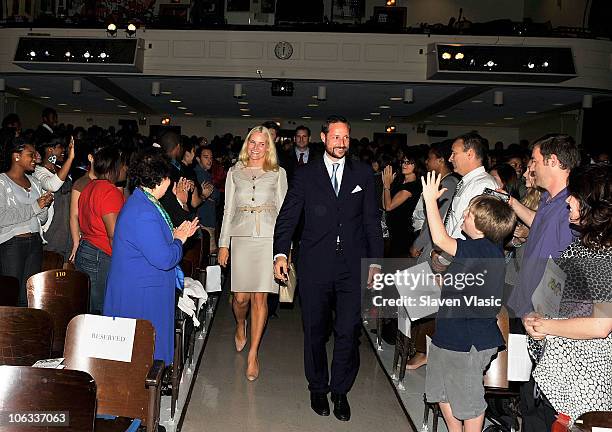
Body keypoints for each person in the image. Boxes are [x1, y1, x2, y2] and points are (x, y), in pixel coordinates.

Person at [273, 115, 383, 421]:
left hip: (352, 264)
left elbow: (372, 222)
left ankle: (340, 390)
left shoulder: (362, 173)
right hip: (315, 263)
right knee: (314, 330)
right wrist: (280, 253)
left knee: (348, 330)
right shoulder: (306, 175)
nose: (341, 143)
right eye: (336, 137)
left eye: (346, 138)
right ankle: (318, 387)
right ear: (324, 138)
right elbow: (288, 216)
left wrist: (375, 262)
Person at [421, 171, 516, 432]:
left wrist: (430, 200)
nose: (463, 216)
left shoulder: (484, 249)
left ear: (482, 225)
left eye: (468, 215)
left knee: (469, 400)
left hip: (469, 339)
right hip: (450, 334)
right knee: (440, 392)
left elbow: (440, 240)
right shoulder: (477, 248)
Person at [523, 163, 612, 428]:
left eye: (574, 195)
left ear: (592, 203)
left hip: (581, 384)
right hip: (553, 375)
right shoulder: (583, 246)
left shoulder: (605, 254)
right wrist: (536, 317)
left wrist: (546, 325)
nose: (568, 200)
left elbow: (601, 324)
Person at [505, 134, 581, 432]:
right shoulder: (552, 201)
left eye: (534, 161)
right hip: (527, 308)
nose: (530, 169)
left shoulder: (572, 207)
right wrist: (510, 201)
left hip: (546, 319)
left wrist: (549, 320)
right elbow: (538, 222)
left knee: (544, 401)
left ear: (553, 162)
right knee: (527, 392)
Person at [104, 149, 200, 364]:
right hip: (141, 292)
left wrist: (174, 233)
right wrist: (179, 239)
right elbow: (164, 259)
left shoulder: (144, 201)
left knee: (140, 351)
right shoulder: (144, 211)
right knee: (143, 353)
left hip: (142, 285)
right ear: (161, 180)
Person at [217, 125, 288, 381]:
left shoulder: (278, 173)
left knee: (261, 299)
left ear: (269, 147)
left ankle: (253, 353)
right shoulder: (234, 172)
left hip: (268, 240)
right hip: (242, 238)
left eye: (262, 143)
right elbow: (227, 210)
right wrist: (223, 244)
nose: (256, 148)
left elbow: (285, 215)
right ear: (246, 144)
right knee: (240, 299)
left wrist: (283, 251)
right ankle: (240, 324)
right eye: (252, 143)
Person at [407, 140, 459, 370]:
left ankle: (422, 351)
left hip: (434, 249)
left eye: (430, 158)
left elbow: (433, 222)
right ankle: (418, 347)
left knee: (426, 302)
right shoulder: (446, 182)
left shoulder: (448, 184)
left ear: (440, 160)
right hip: (434, 247)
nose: (427, 162)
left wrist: (419, 243)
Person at [0, 137, 53, 305]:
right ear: (16, 156)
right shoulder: (2, 182)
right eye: (30, 154)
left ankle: (24, 331)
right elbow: (2, 217)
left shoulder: (35, 182)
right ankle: (8, 331)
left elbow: (42, 219)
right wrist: (35, 207)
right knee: (11, 295)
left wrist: (44, 206)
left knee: (29, 296)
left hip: (35, 242)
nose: (36, 158)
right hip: (12, 244)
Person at [75, 146, 125, 314]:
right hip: (100, 254)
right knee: (100, 310)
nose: (124, 169)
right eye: (122, 165)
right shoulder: (110, 192)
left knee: (88, 308)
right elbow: (113, 234)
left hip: (86, 248)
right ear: (114, 168)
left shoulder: (88, 187)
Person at [34, 136, 75, 258]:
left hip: (67, 229)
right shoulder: (38, 171)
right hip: (52, 231)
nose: (63, 150)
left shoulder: (59, 168)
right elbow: (53, 185)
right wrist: (70, 158)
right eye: (60, 147)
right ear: (50, 150)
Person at [382, 154, 423, 257]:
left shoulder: (413, 186)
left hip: (402, 231)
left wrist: (387, 185)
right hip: (393, 230)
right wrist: (385, 185)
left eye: (409, 163)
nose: (404, 165)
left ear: (416, 166)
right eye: (403, 162)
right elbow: (384, 205)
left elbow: (389, 206)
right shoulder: (400, 182)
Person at [194, 146, 219, 253]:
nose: (209, 160)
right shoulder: (199, 174)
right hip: (205, 220)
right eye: (206, 157)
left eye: (211, 158)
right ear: (198, 159)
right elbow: (215, 195)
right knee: (209, 254)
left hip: (206, 219)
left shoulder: (205, 173)